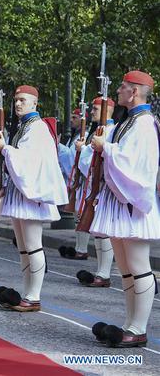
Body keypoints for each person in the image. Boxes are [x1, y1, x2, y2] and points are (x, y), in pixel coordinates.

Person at [89, 71, 159, 348]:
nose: (117, 91)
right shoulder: (128, 121)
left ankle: (138, 328)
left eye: (122, 87)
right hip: (120, 202)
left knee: (139, 267)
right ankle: (130, 323)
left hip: (133, 204)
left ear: (134, 92)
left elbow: (136, 165)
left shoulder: (143, 124)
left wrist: (107, 148)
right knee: (126, 268)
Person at [0, 85, 68, 312]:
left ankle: (33, 296)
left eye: (23, 100)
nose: (17, 104)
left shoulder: (36, 128)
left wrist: (5, 148)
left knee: (34, 246)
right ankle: (27, 292)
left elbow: (29, 161)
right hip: (21, 193)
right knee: (24, 248)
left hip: (31, 195)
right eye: (16, 100)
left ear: (35, 103)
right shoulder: (24, 126)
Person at [68, 97, 116, 266]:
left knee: (103, 230)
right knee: (96, 228)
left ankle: (104, 271)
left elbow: (101, 157)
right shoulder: (98, 131)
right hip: (91, 184)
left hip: (103, 185)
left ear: (106, 110)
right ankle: (101, 270)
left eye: (95, 109)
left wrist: (84, 150)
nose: (92, 112)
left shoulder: (111, 131)